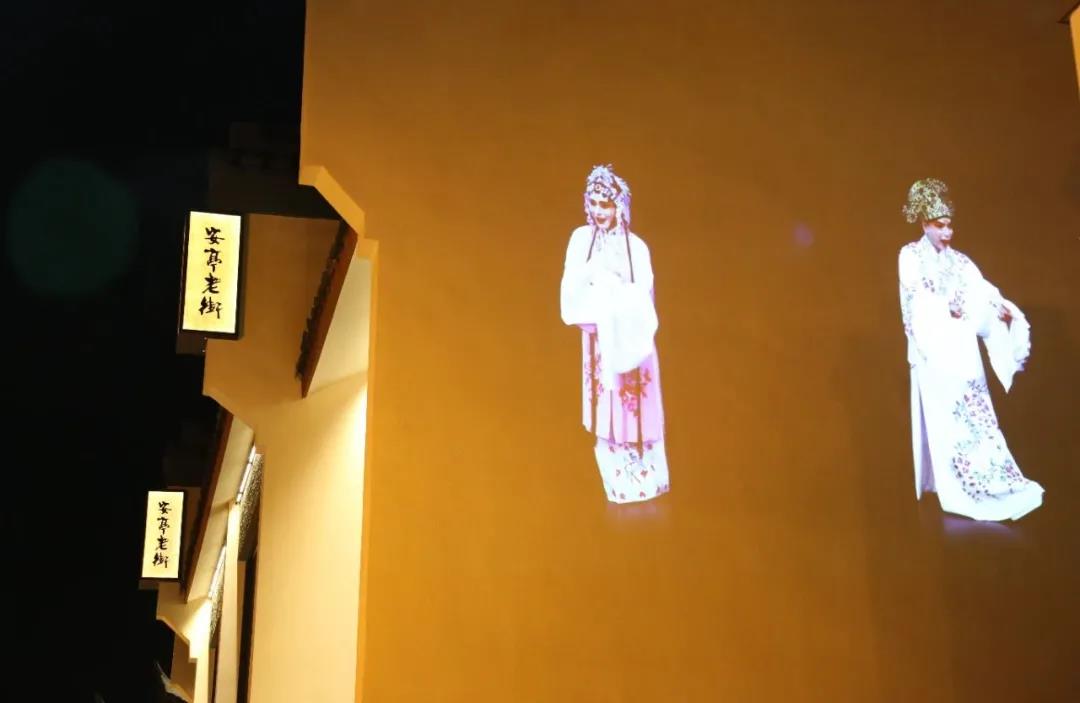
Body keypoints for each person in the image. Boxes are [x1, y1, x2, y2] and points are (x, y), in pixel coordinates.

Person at [898, 178, 1043, 521]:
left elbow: (983, 293)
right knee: (946, 422)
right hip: (935, 353)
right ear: (924, 224)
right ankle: (953, 485)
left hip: (962, 351)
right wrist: (944, 308)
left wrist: (1002, 310)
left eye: (950, 225)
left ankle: (989, 481)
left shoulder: (961, 262)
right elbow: (914, 301)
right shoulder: (910, 256)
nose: (947, 233)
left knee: (978, 418)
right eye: (940, 226)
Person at [560, 164, 670, 503]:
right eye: (593, 203)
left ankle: (645, 475)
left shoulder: (636, 247)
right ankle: (615, 473)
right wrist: (596, 286)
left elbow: (643, 295)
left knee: (634, 402)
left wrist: (614, 294)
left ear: (619, 206)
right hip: (599, 338)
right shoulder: (582, 240)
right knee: (607, 407)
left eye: (605, 205)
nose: (598, 211)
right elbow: (571, 285)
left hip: (630, 338)